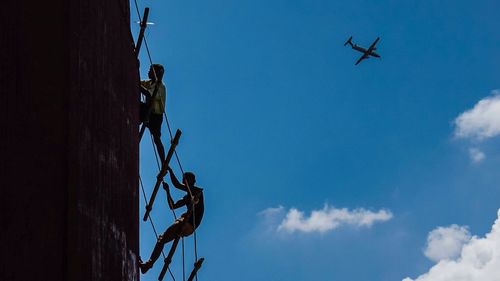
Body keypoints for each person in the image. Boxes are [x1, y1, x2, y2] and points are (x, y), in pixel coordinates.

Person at [139, 166, 205, 274]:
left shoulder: (198, 191)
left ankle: (149, 264)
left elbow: (177, 185)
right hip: (187, 224)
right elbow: (173, 206)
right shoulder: (187, 197)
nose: (184, 182)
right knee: (162, 239)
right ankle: (149, 264)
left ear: (193, 181)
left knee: (162, 238)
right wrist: (167, 191)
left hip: (188, 223)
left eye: (186, 180)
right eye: (184, 180)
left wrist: (170, 170)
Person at [139, 64, 166, 162]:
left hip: (156, 116)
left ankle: (163, 162)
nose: (148, 72)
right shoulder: (150, 82)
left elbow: (148, 94)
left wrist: (138, 86)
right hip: (148, 110)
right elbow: (139, 82)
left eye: (151, 70)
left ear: (156, 73)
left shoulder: (160, 87)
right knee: (139, 110)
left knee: (156, 139)